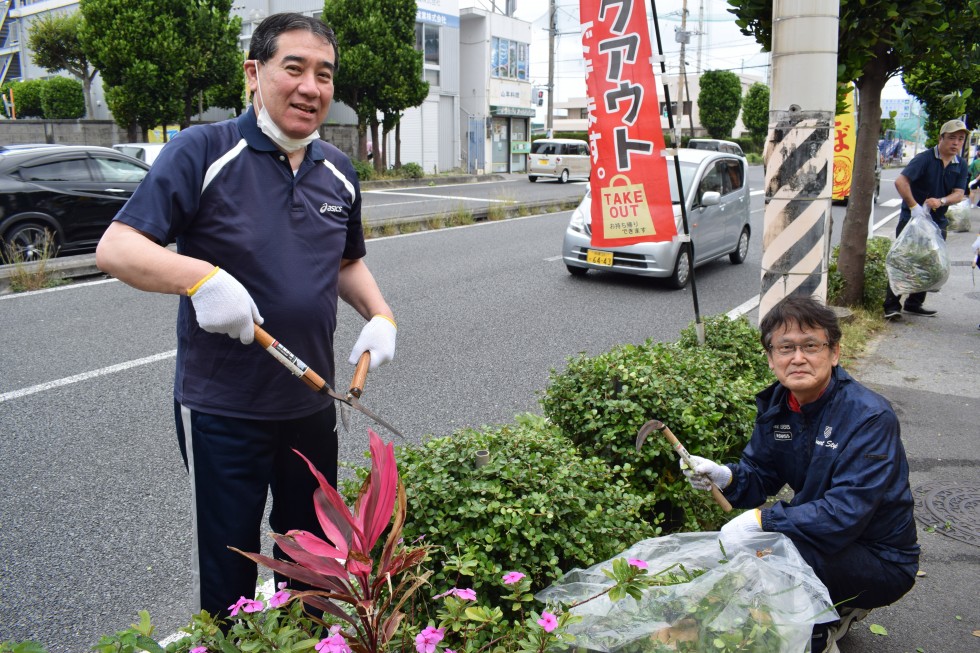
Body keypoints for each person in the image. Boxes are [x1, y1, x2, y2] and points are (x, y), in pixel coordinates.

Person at [95, 13, 397, 618]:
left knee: (313, 565)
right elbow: (117, 247)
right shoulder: (202, 151)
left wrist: (380, 314)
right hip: (224, 409)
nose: (311, 87)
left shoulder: (337, 170)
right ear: (254, 73)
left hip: (313, 405)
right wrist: (200, 278)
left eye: (325, 74)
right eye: (295, 68)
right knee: (230, 571)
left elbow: (345, 263)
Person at [682, 295, 919, 653]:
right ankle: (824, 607)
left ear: (834, 352)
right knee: (765, 554)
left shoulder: (869, 418)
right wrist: (726, 477)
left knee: (771, 554)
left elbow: (844, 512)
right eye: (785, 347)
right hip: (829, 541)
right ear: (770, 357)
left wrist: (761, 520)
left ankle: (820, 630)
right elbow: (760, 473)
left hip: (881, 558)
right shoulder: (780, 406)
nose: (798, 358)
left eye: (811, 345)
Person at [883, 119, 970, 319]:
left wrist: (941, 201)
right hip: (912, 220)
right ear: (941, 138)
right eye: (951, 138)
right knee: (903, 260)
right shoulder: (925, 159)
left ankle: (914, 303)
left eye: (960, 139)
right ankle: (891, 305)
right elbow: (901, 181)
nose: (956, 143)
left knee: (930, 262)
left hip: (937, 221)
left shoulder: (960, 164)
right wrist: (913, 206)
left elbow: (959, 193)